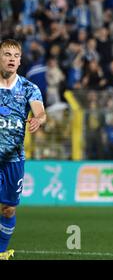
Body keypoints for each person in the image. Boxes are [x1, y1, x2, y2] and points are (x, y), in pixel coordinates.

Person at [0, 39, 46, 260]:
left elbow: (40, 112)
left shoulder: (29, 88)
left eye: (15, 55)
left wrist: (38, 119)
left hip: (13, 159)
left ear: (20, 61)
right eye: (7, 54)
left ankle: (1, 252)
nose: (11, 59)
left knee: (8, 209)